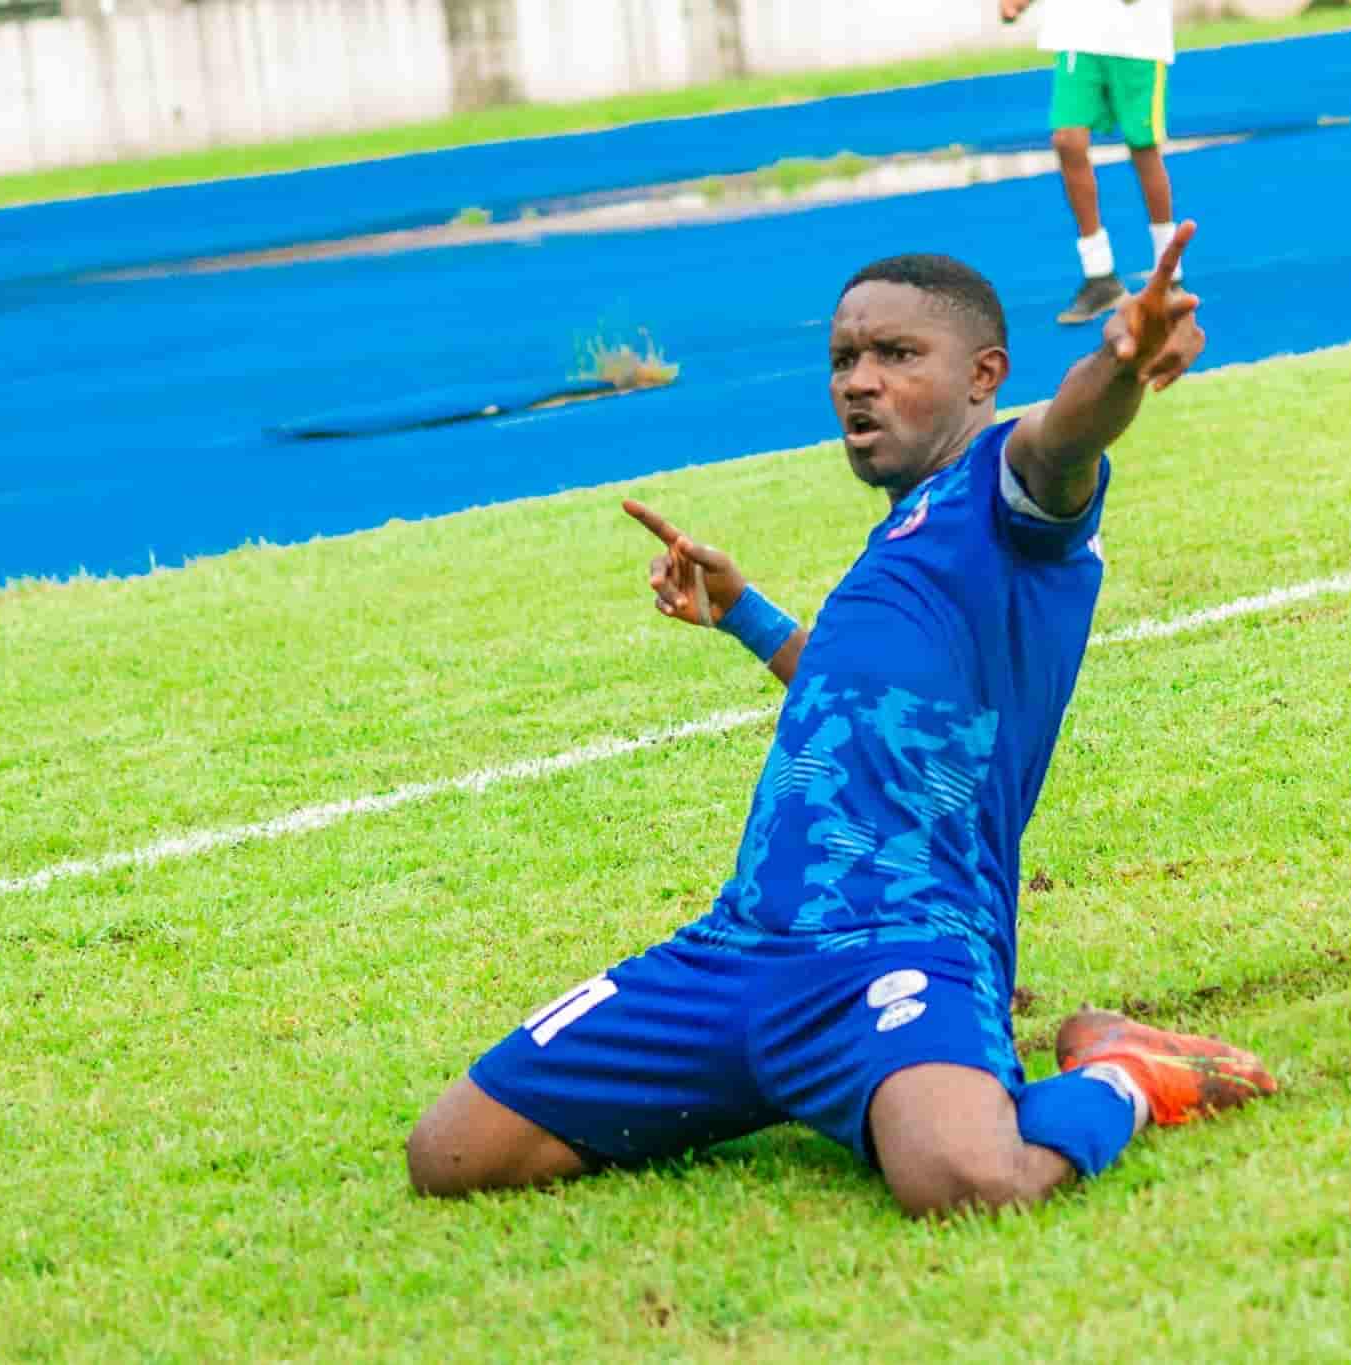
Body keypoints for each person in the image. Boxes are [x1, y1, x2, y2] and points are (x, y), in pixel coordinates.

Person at [406, 223, 1277, 1217]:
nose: (857, 381)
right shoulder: (896, 549)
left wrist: (1116, 364)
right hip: (736, 948)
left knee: (966, 1183)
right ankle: (788, 1074)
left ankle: (1125, 1072)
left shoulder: (1006, 500)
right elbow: (850, 700)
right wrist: (744, 614)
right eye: (843, 360)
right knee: (453, 1155)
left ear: (982, 375)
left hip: (904, 937)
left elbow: (1063, 436)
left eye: (895, 356)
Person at [1001, 0, 1183, 325]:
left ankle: (1169, 271)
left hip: (1137, 39)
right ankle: (1100, 275)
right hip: (1077, 33)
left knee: (1143, 149)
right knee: (1067, 141)